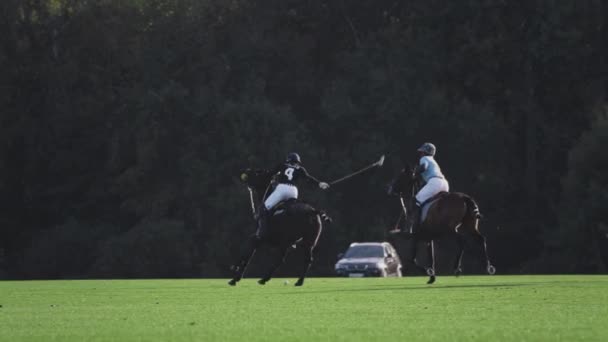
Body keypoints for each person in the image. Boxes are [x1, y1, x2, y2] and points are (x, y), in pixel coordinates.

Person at [256, 152, 330, 238]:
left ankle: (262, 232)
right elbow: (308, 178)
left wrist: (261, 173)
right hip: (294, 191)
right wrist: (319, 184)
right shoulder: (300, 169)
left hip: (282, 188)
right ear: (298, 162)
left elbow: (270, 174)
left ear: (288, 160)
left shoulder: (282, 165)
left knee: (263, 208)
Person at [405, 142, 450, 233]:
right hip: (445, 184)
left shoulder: (424, 158)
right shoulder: (433, 161)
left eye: (421, 152)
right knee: (429, 204)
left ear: (424, 152)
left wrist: (414, 173)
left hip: (435, 183)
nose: (420, 154)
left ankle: (414, 228)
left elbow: (424, 167)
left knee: (416, 201)